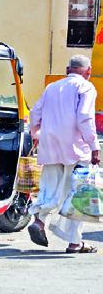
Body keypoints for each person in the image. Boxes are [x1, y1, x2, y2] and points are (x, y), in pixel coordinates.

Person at [28, 54, 100, 253]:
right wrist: (95, 146)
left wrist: (36, 134)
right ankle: (74, 242)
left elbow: (35, 113)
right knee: (78, 196)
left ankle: (39, 222)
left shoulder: (52, 87)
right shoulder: (86, 87)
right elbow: (84, 118)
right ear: (88, 72)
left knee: (49, 188)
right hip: (76, 149)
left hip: (50, 145)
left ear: (68, 70)